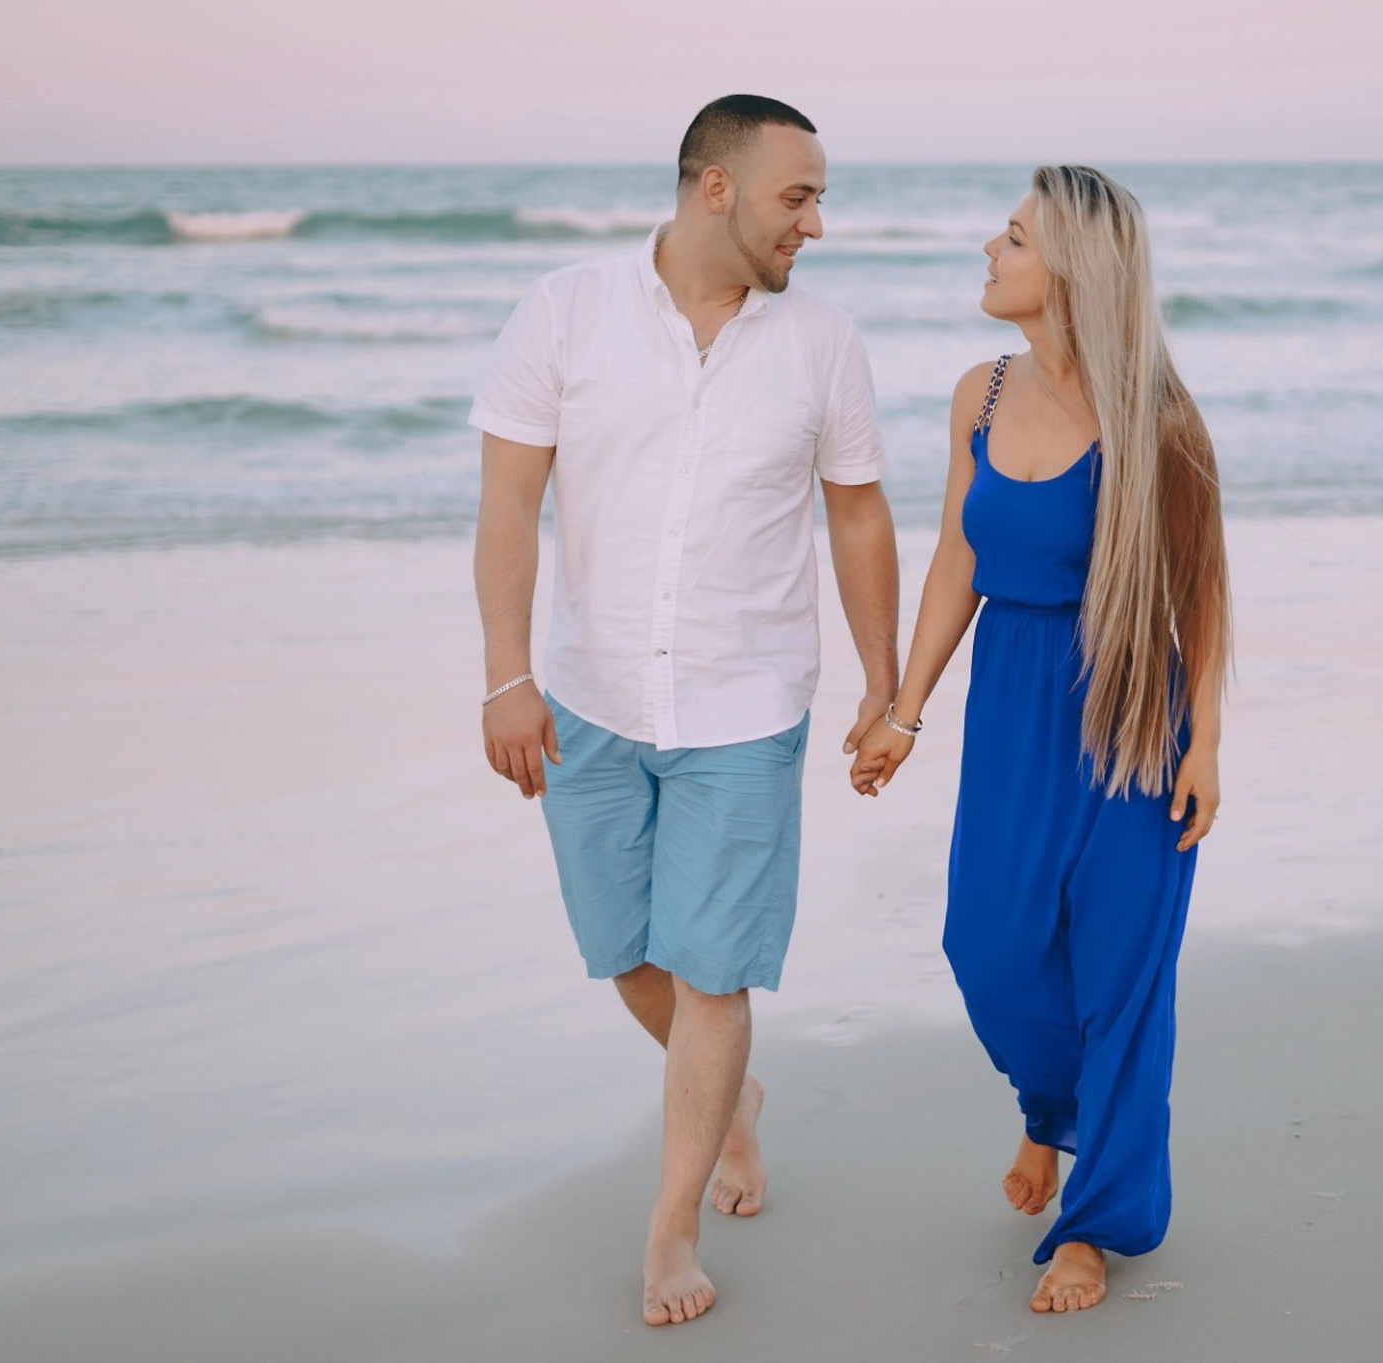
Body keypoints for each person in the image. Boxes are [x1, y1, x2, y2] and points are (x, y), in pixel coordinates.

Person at [471, 94, 899, 1327]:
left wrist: (881, 683)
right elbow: (509, 505)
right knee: (628, 952)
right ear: (716, 187)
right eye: (798, 196)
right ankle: (733, 1099)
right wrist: (507, 676)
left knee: (715, 970)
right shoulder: (565, 311)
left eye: (818, 198)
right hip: (589, 695)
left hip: (747, 699)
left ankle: (671, 1223)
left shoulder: (822, 343)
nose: (814, 223)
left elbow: (857, 511)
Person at [851, 165, 1228, 1314]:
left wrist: (1205, 746)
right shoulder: (979, 391)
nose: (988, 248)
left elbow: (1201, 594)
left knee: (1121, 983)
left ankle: (1094, 1227)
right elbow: (959, 559)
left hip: (1129, 723)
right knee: (992, 949)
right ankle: (1048, 1115)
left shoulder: (1156, 415)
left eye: (1011, 237)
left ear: (1069, 265)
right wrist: (905, 709)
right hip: (1011, 711)